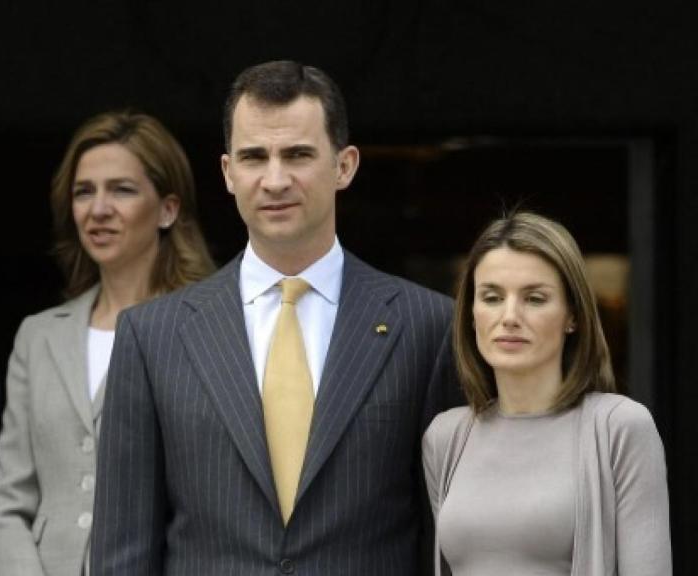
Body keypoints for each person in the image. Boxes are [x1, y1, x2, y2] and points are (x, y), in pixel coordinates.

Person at [91, 60, 459, 574]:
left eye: (298, 154)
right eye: (254, 157)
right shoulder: (152, 336)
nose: (275, 179)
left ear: (345, 165)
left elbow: (442, 536)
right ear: (227, 172)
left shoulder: (427, 326)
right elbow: (123, 549)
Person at [0, 110, 215, 576]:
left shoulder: (208, 331)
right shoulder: (39, 335)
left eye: (122, 190)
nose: (99, 209)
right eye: (84, 191)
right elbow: (9, 503)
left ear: (168, 209)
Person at [422, 212, 671, 575]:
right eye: (491, 297)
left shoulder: (619, 427)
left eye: (534, 298)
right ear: (471, 314)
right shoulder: (447, 436)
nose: (509, 316)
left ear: (572, 314)